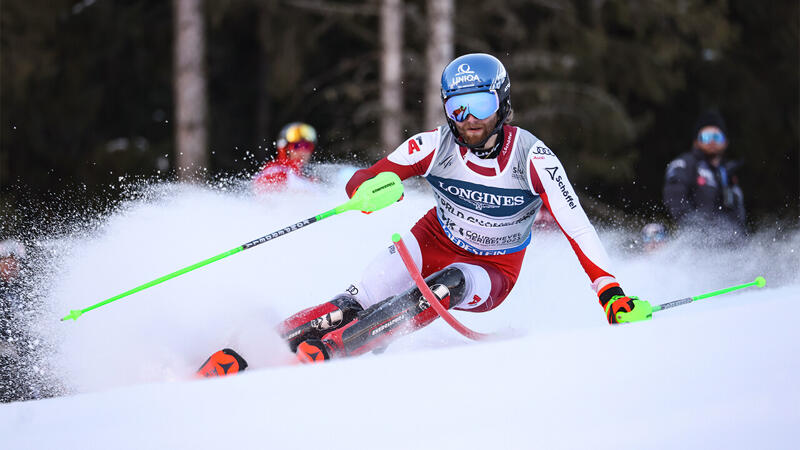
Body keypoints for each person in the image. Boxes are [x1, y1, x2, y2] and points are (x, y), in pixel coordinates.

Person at [198, 54, 650, 376]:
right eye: (458, 107)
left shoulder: (533, 158)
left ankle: (334, 352)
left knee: (444, 286)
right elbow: (365, 179)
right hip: (429, 240)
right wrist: (373, 190)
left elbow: (577, 226)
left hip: (490, 269)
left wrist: (610, 294)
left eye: (482, 105)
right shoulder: (434, 145)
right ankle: (245, 350)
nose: (470, 120)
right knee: (346, 305)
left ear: (503, 104)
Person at [663, 110, 746, 238]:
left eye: (717, 137)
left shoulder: (728, 174)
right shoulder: (685, 165)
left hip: (728, 246)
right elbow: (675, 201)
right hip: (696, 243)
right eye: (706, 137)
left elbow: (738, 216)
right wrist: (699, 232)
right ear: (696, 141)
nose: (712, 141)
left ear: (725, 142)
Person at [252, 122, 318, 190]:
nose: (302, 151)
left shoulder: (310, 178)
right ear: (285, 149)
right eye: (297, 146)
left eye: (307, 146)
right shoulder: (275, 171)